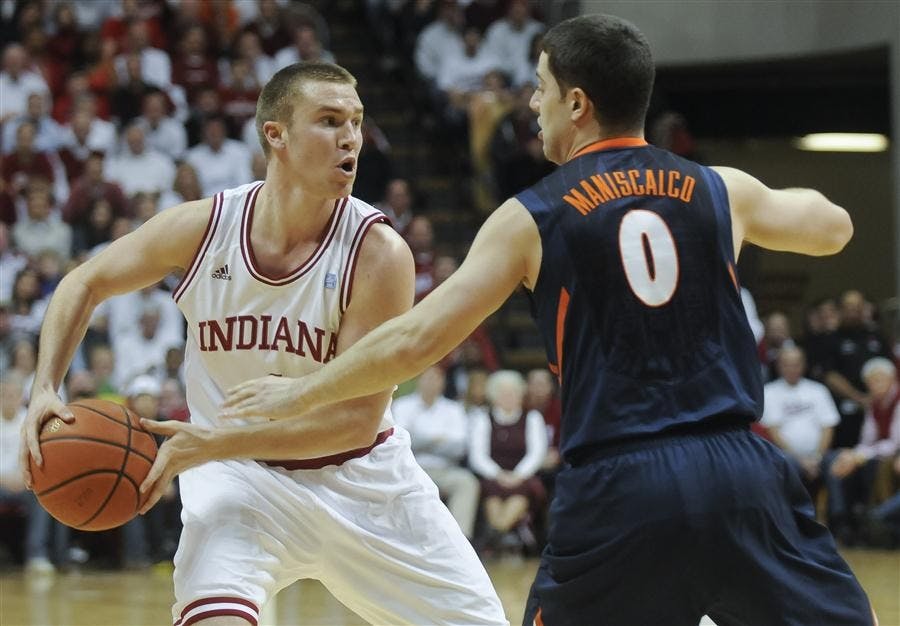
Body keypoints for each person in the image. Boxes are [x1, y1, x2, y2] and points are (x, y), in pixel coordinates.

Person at [219, 15, 875, 625]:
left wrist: (300, 390)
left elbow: (417, 339)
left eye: (540, 89)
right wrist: (729, 201)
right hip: (740, 471)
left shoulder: (530, 216)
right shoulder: (719, 189)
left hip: (623, 483)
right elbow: (835, 228)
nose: (530, 105)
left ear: (578, 104)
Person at [21, 62, 506, 626]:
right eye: (329, 121)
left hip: (361, 480)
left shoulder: (377, 253)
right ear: (275, 134)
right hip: (241, 479)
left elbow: (352, 421)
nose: (351, 138)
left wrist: (208, 446)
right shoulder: (206, 228)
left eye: (357, 122)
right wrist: (44, 388)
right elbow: (84, 282)